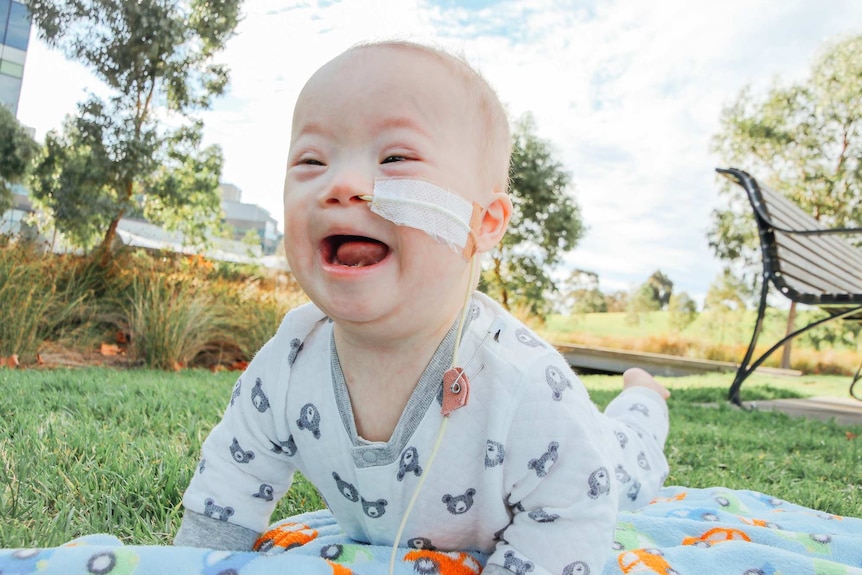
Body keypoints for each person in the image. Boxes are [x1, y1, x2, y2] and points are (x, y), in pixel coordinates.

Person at [175, 40, 671, 575]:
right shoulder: (291, 359)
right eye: (311, 160)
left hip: (598, 458)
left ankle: (642, 397)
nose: (341, 184)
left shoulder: (524, 385)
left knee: (628, 455)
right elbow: (233, 476)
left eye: (395, 159)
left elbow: (574, 511)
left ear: (484, 222)